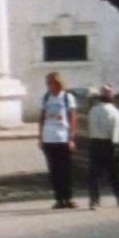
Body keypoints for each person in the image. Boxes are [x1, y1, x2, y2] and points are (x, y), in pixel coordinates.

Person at [37, 72, 77, 209]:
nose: (49, 85)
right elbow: (42, 117)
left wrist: (71, 137)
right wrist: (40, 137)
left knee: (66, 170)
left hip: (63, 138)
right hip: (49, 138)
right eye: (47, 83)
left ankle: (68, 198)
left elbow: (72, 118)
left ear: (58, 83)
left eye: (50, 82)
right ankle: (59, 199)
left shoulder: (67, 97)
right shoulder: (46, 97)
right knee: (54, 170)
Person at [85, 85, 119, 209]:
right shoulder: (114, 111)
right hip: (109, 143)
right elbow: (115, 130)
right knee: (114, 173)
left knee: (94, 174)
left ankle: (94, 200)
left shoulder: (93, 110)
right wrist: (116, 145)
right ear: (111, 96)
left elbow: (91, 128)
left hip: (95, 143)